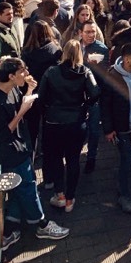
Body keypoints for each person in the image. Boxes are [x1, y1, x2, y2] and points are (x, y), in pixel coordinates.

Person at [0, 57, 69, 246]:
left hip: (20, 146)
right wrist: (22, 111)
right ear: (11, 76)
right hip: (9, 152)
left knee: (18, 189)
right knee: (28, 187)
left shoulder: (13, 89)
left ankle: (9, 229)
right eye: (22, 71)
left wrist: (30, 91)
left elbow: (20, 106)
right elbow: (2, 134)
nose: (26, 74)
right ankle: (42, 224)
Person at [38, 40, 99, 214]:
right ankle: (70, 198)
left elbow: (41, 97)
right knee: (73, 160)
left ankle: (60, 194)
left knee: (56, 159)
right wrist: (85, 106)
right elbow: (95, 92)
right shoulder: (85, 72)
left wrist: (48, 111)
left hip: (54, 122)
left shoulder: (51, 72)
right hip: (76, 122)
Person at [100, 42, 131, 214]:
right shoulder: (113, 77)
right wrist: (108, 129)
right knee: (125, 161)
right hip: (123, 128)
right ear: (127, 59)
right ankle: (124, 195)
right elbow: (105, 105)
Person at [21, 20, 62, 158]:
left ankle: (32, 151)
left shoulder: (26, 52)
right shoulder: (56, 50)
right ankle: (47, 149)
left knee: (32, 125)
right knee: (48, 123)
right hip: (50, 92)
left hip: (32, 90)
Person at [79, 19, 110, 173]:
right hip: (77, 95)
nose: (91, 35)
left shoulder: (101, 48)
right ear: (80, 33)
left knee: (94, 128)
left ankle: (91, 158)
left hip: (94, 95)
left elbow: (104, 74)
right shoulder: (74, 46)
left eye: (93, 31)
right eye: (88, 32)